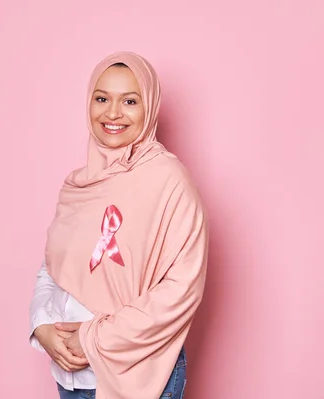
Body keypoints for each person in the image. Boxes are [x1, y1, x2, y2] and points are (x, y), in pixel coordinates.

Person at [28, 51, 209, 399]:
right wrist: (42, 325)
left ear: (150, 107)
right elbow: (53, 267)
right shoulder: (79, 185)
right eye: (102, 98)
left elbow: (181, 289)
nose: (112, 113)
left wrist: (94, 337)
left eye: (129, 100)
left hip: (139, 373)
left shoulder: (169, 182)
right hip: (72, 378)